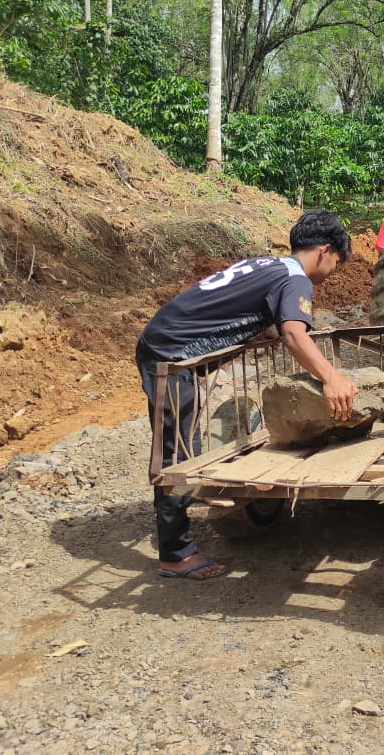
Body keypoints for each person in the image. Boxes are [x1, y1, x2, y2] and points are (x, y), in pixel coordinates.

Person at [137, 209, 358, 580]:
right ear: (324, 250)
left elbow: (250, 310)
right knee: (176, 451)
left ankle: (185, 517)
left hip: (169, 340)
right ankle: (175, 555)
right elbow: (294, 335)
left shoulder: (270, 265)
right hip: (169, 351)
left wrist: (264, 328)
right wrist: (331, 378)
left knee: (185, 440)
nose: (333, 271)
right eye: (336, 261)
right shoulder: (296, 279)